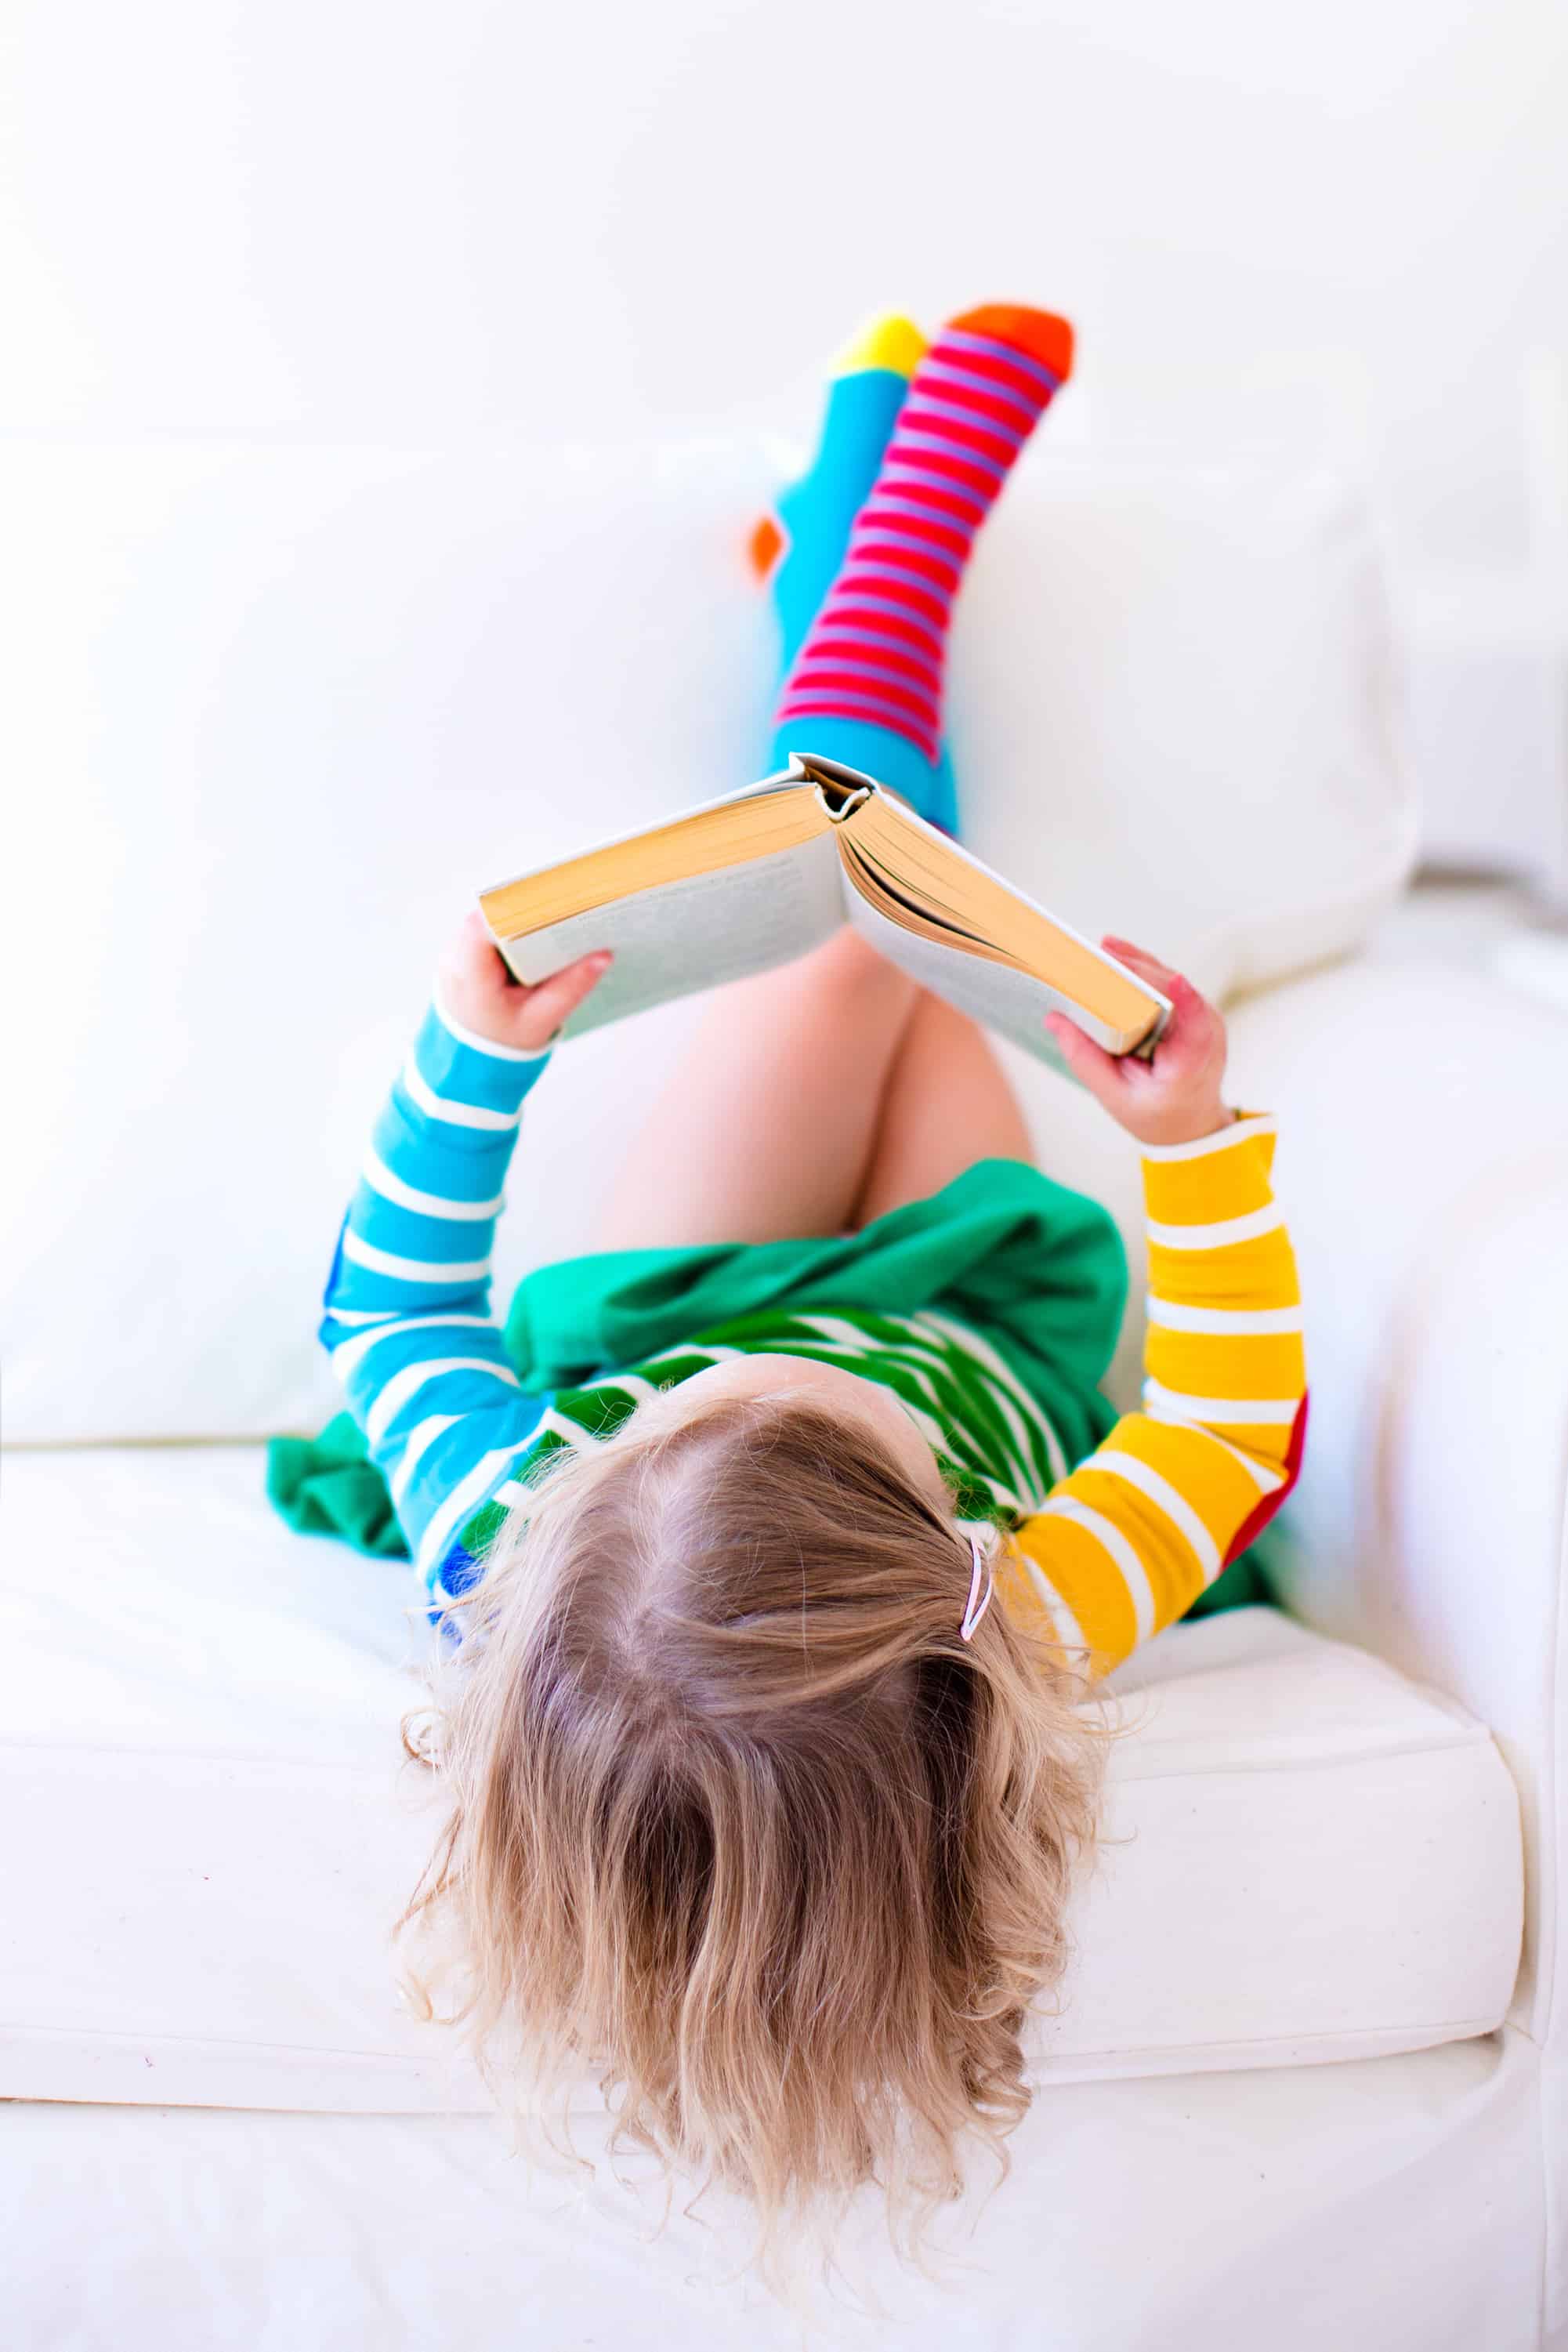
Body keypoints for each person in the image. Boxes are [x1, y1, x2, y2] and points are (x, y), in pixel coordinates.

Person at [295, 305, 1307, 2260]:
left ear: (581, 1488)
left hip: (688, 1271)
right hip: (973, 1306)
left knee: (853, 926)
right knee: (892, 916)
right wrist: (1183, 1143)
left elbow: (394, 1323)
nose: (779, 1369)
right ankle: (857, 559)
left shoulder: (510, 1554)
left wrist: (474, 1057)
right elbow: (1215, 1421)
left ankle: (859, 558)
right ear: (961, 1561)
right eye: (817, 1424)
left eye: (697, 1423)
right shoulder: (1021, 1625)